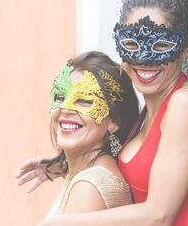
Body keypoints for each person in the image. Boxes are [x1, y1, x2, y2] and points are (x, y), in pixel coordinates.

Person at [15, 0, 188, 225]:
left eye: (161, 46)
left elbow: (158, 214)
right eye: (131, 45)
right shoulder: (145, 116)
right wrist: (62, 166)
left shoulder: (187, 104)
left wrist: (59, 222)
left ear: (187, 45)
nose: (144, 60)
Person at [28, 51, 139, 217]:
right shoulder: (88, 173)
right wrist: (63, 166)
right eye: (60, 97)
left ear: (115, 121)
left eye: (85, 100)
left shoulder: (89, 187)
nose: (65, 108)